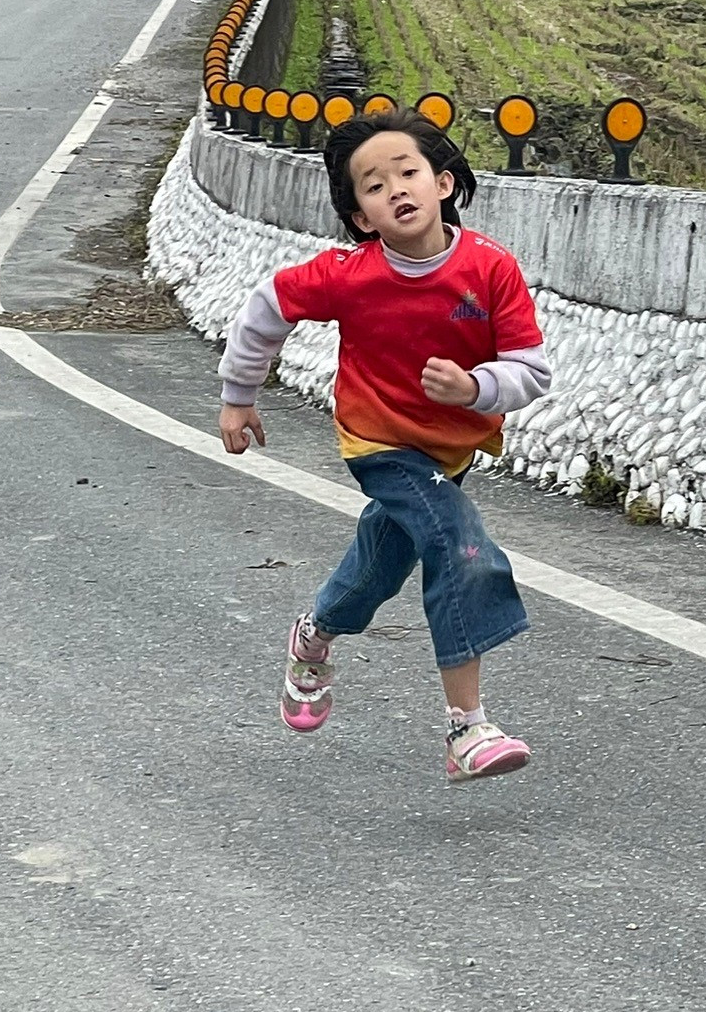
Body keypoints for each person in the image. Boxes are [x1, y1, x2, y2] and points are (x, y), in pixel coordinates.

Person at [216, 111, 548, 782]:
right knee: (459, 546)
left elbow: (530, 372)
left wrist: (475, 387)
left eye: (407, 172)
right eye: (373, 185)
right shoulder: (350, 275)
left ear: (443, 183)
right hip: (378, 440)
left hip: (450, 450)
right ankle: (466, 728)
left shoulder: (491, 268)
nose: (395, 188)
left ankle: (315, 633)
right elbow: (267, 307)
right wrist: (238, 394)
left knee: (382, 563)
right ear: (361, 218)